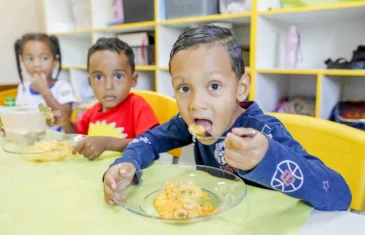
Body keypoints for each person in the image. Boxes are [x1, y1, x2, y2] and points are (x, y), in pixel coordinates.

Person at [103, 24, 352, 211]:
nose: (197, 105)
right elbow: (149, 140)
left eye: (213, 86)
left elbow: (341, 195)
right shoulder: (187, 122)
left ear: (241, 88)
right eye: (185, 88)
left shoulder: (263, 132)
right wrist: (128, 164)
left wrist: (268, 158)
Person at [50, 38, 159, 160]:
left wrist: (107, 144)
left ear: (133, 80)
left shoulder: (138, 107)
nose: (108, 86)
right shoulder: (93, 111)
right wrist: (65, 123)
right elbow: (77, 134)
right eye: (99, 77)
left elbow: (151, 143)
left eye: (118, 76)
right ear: (90, 82)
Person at [15, 33, 76, 132]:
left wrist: (45, 92)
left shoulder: (62, 87)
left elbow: (65, 118)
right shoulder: (22, 88)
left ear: (55, 61)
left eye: (44, 58)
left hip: (56, 142)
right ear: (22, 61)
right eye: (30, 59)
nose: (36, 64)